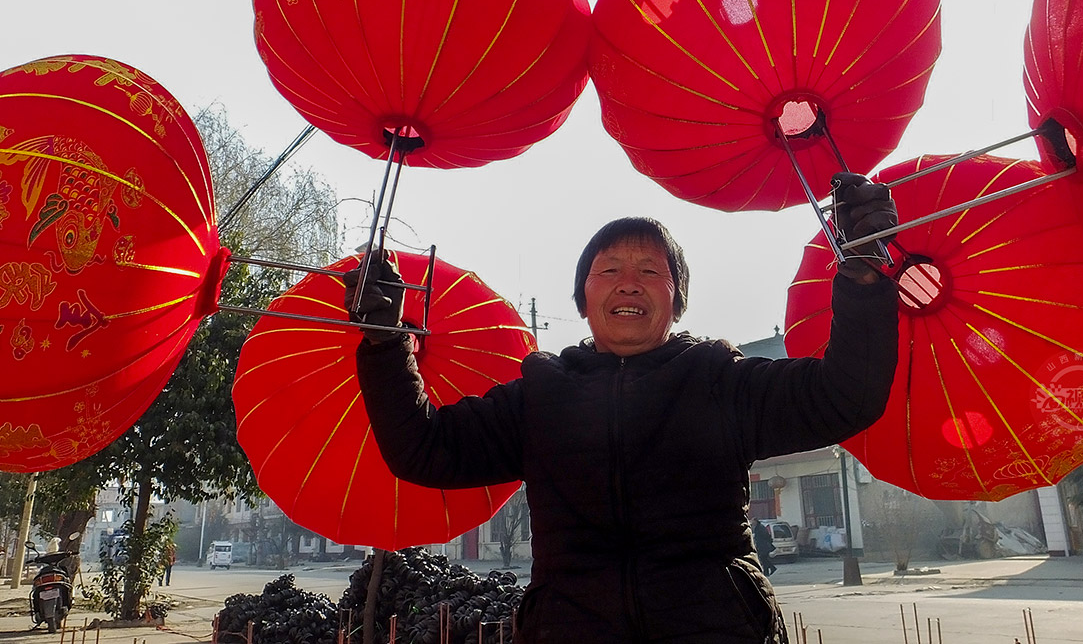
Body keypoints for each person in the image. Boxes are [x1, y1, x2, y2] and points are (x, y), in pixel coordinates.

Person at [345, 173, 898, 643]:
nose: (628, 283)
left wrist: (866, 276)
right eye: (608, 270)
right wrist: (385, 344)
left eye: (650, 271)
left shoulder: (720, 379)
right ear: (583, 298)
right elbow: (424, 449)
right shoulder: (540, 393)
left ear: (676, 300)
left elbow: (846, 394)